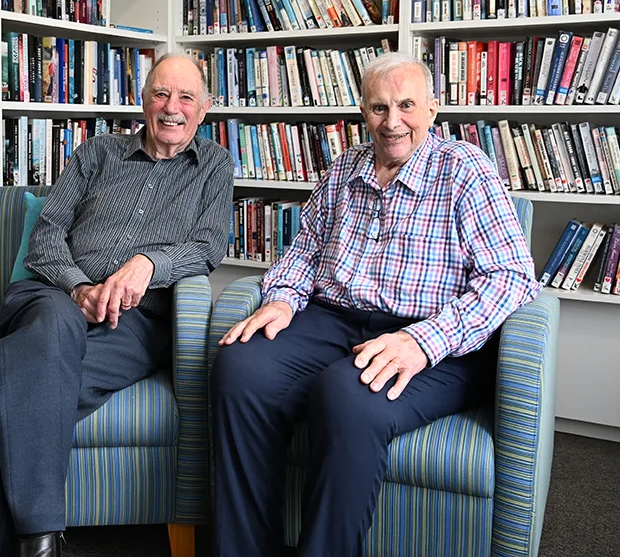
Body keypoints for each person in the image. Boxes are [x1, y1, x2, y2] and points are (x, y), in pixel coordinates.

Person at [209, 52, 541, 557]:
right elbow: (306, 251)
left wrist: (421, 341)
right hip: (333, 317)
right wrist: (280, 299)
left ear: (433, 108)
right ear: (362, 111)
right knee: (239, 366)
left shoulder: (466, 170)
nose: (393, 122)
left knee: (346, 391)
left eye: (406, 105)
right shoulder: (343, 168)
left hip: (436, 337)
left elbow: (513, 277)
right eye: (379, 107)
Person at [0, 52, 235, 557]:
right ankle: (41, 538)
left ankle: (23, 544)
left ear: (204, 108)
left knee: (26, 390)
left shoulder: (214, 166)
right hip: (52, 299)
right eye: (160, 94)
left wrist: (148, 263)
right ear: (143, 99)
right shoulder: (97, 153)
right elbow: (46, 238)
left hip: (133, 323)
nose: (172, 108)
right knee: (48, 340)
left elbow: (208, 246)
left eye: (186, 97)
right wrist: (78, 289)